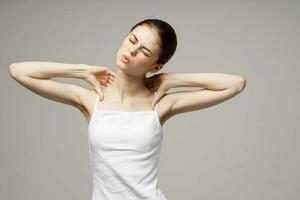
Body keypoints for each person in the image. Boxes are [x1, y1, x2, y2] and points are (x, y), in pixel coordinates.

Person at [9, 18, 246, 200]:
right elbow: (19, 70)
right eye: (132, 40)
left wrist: (174, 80)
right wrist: (80, 71)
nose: (132, 51)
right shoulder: (92, 100)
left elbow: (235, 84)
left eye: (144, 51)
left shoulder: (160, 104)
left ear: (156, 65)